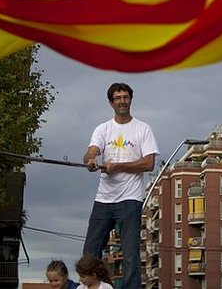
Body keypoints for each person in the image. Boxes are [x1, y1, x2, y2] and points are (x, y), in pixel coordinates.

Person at [82, 82, 159, 289]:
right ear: (111, 103)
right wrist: (90, 159)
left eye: (125, 97)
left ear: (131, 100)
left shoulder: (143, 129)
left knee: (130, 253)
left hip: (130, 200)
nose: (122, 101)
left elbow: (149, 163)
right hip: (103, 198)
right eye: (118, 98)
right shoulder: (103, 129)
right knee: (90, 252)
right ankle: (97, 286)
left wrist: (119, 166)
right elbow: (92, 150)